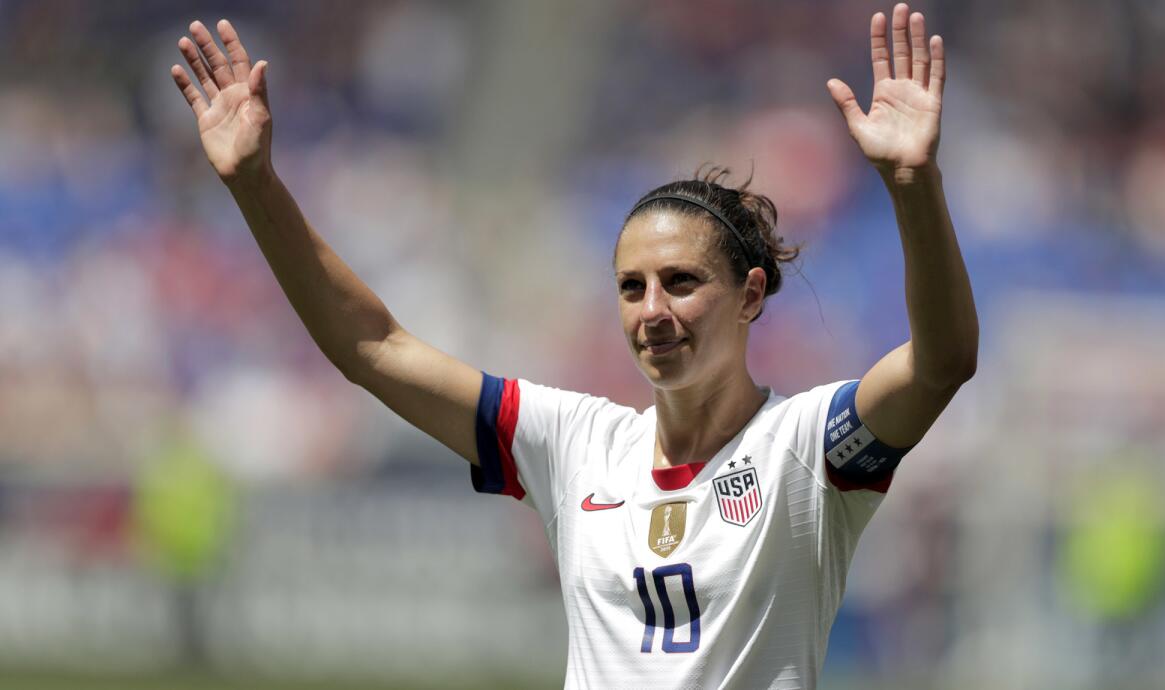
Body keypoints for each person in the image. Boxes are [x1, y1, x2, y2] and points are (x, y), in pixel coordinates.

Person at [170, 3, 976, 688]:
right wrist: (255, 185)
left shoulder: (806, 446)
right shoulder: (576, 442)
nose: (652, 311)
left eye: (682, 282)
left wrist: (914, 187)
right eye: (632, 287)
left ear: (751, 295)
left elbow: (943, 361)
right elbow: (372, 346)